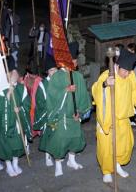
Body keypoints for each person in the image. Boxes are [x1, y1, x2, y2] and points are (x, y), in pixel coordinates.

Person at [40, 42, 92, 177]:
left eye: (75, 60)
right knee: (60, 141)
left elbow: (83, 97)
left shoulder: (78, 77)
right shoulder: (56, 77)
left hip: (74, 117)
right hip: (62, 116)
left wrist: (80, 114)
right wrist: (66, 90)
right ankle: (58, 165)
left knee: (76, 140)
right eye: (73, 60)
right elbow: (52, 96)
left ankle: (71, 160)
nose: (75, 63)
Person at [92, 48, 136, 183]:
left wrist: (135, 103)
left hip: (123, 118)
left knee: (124, 144)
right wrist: (105, 84)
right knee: (107, 146)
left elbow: (135, 90)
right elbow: (96, 90)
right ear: (117, 66)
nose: (126, 74)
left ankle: (117, 165)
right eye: (124, 71)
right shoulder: (107, 75)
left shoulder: (130, 76)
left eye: (129, 71)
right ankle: (107, 171)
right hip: (108, 118)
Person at [0, 56, 32, 177]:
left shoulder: (21, 88)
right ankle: (8, 166)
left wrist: (20, 109)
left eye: (16, 73)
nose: (15, 76)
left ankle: (15, 163)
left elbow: (27, 104)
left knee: (17, 144)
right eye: (12, 74)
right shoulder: (0, 89)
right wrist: (9, 94)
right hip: (5, 123)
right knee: (6, 145)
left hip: (17, 122)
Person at [36, 54, 59, 167]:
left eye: (55, 69)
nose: (54, 72)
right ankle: (47, 156)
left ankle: (57, 154)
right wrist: (48, 109)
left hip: (59, 113)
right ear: (47, 72)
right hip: (48, 113)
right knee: (48, 135)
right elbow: (39, 101)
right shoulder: (43, 85)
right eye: (51, 70)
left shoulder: (60, 81)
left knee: (58, 135)